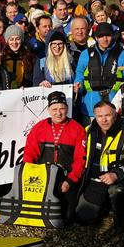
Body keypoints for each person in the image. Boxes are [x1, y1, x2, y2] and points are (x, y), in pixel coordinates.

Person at [75, 101, 124, 231]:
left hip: (119, 181)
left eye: (108, 115)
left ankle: (122, 217)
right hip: (95, 181)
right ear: (95, 117)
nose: (104, 120)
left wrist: (116, 174)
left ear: (115, 115)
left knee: (117, 192)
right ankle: (104, 206)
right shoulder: (88, 131)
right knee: (82, 217)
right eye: (99, 116)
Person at [23, 91, 87, 221]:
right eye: (55, 109)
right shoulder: (39, 128)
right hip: (42, 178)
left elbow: (81, 159)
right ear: (48, 110)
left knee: (67, 218)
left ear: (67, 108)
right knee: (37, 216)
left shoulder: (77, 129)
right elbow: (29, 153)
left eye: (62, 108)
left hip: (66, 179)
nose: (58, 113)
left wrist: (70, 181)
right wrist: (30, 176)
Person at [74, 22, 124, 121]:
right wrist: (78, 85)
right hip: (90, 106)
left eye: (108, 35)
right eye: (101, 36)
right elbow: (79, 73)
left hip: (114, 103)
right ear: (96, 38)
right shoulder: (85, 54)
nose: (105, 39)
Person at [2, 24, 34, 88]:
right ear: (7, 41)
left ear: (21, 40)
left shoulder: (28, 56)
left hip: (23, 92)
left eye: (17, 39)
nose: (14, 42)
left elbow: (31, 77)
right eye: (11, 39)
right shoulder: (2, 57)